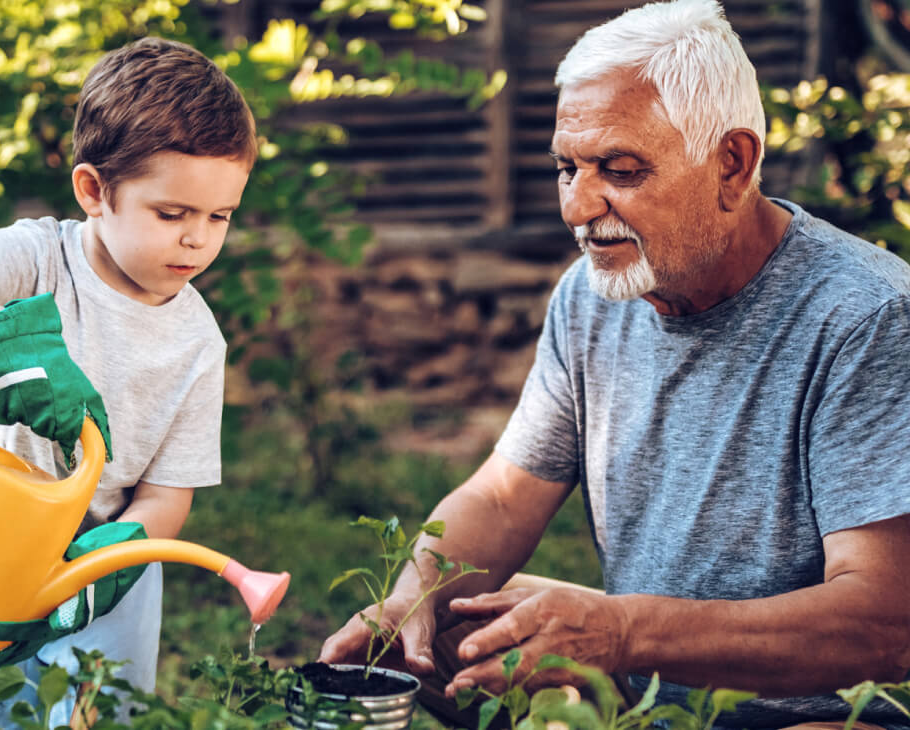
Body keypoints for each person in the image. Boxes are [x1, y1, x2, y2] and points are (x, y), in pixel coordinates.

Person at [318, 1, 910, 728]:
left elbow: (884, 624)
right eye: (567, 168)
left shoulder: (866, 317)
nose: (578, 205)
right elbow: (505, 497)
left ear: (733, 164)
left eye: (620, 170)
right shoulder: (592, 296)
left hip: (820, 713)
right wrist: (413, 592)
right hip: (645, 685)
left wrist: (623, 631)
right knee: (448, 623)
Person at [0, 36, 256, 727]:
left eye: (219, 217)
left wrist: (116, 557)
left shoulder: (199, 343)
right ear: (94, 191)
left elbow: (168, 495)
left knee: (98, 716)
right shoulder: (36, 260)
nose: (198, 239)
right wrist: (4, 341)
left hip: (105, 569)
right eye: (172, 214)